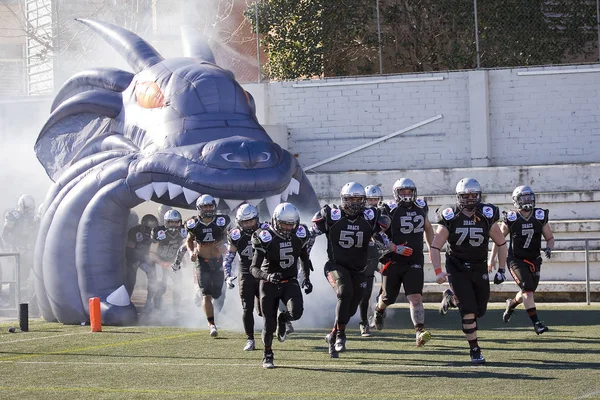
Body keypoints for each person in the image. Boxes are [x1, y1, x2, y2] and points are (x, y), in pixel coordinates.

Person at [310, 182, 400, 359]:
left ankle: (333, 335)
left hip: (359, 268)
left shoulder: (369, 216)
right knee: (345, 292)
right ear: (343, 199)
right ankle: (341, 336)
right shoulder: (332, 214)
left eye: (358, 199)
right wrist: (303, 258)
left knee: (350, 309)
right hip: (336, 265)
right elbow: (310, 235)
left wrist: (391, 249)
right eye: (350, 199)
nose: (354, 203)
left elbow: (380, 235)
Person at [430, 178, 508, 364]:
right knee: (469, 310)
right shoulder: (450, 214)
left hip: (479, 265)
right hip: (456, 266)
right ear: (458, 197)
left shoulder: (487, 214)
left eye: (474, 195)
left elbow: (501, 242)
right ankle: (474, 349)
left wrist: (502, 269)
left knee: (480, 310)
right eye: (466, 195)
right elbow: (435, 246)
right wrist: (438, 271)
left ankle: (451, 296)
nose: (470, 199)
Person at [373, 178, 435, 348]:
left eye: (409, 191)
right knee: (388, 297)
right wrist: (394, 248)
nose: (407, 195)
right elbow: (376, 233)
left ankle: (419, 331)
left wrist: (432, 247)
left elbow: (428, 228)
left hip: (414, 260)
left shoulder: (421, 206)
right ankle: (379, 310)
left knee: (415, 297)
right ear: (396, 193)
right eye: (403, 192)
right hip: (392, 260)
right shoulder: (388, 209)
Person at [250, 202, 313, 369]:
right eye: (284, 223)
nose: (287, 228)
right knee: (268, 324)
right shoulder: (266, 237)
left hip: (290, 280)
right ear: (275, 221)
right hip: (269, 283)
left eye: (290, 224)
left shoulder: (299, 235)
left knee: (297, 312)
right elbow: (254, 269)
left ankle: (283, 319)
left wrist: (306, 278)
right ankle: (267, 354)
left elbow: (304, 258)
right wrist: (268, 276)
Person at [489, 185, 554, 335]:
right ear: (516, 200)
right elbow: (498, 240)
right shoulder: (511, 218)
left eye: (529, 197)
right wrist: (491, 259)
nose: (527, 200)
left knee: (527, 292)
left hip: (534, 260)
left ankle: (511, 303)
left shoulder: (539, 215)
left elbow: (550, 238)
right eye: (523, 198)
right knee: (528, 290)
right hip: (516, 259)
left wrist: (549, 247)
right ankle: (537, 323)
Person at [185, 194, 230, 337]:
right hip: (202, 261)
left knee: (218, 293)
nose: (208, 209)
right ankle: (211, 324)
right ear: (199, 208)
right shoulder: (193, 223)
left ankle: (212, 313)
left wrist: (224, 244)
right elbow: (189, 241)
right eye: (205, 206)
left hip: (217, 261)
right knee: (207, 294)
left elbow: (229, 236)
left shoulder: (221, 221)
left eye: (210, 206)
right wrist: (191, 252)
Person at [223, 204, 266, 351]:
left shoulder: (265, 230)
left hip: (262, 272)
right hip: (246, 273)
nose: (248, 225)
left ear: (257, 219)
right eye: (244, 222)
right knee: (247, 308)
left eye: (251, 221)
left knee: (264, 308)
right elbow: (228, 258)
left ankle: (274, 327)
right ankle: (250, 339)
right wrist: (227, 276)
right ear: (239, 222)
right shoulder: (236, 235)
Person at [357, 184, 384, 337]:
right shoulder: (358, 215)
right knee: (363, 293)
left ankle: (380, 307)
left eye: (376, 199)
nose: (373, 202)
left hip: (380, 254)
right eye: (370, 199)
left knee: (390, 279)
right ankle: (364, 321)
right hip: (363, 257)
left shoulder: (383, 212)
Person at [149, 210, 187, 310]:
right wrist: (161, 262)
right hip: (160, 262)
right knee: (161, 287)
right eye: (171, 222)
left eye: (176, 222)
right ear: (166, 222)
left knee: (178, 286)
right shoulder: (159, 232)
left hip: (174, 262)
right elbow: (151, 253)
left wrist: (183, 260)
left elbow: (185, 247)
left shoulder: (182, 231)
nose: (174, 225)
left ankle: (175, 309)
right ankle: (156, 309)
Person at [125, 214, 158, 298]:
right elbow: (129, 250)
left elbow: (157, 249)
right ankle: (127, 299)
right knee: (131, 280)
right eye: (149, 228)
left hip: (147, 258)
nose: (151, 230)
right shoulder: (135, 231)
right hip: (134, 258)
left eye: (153, 228)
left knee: (153, 278)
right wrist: (137, 262)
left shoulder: (157, 233)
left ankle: (150, 302)